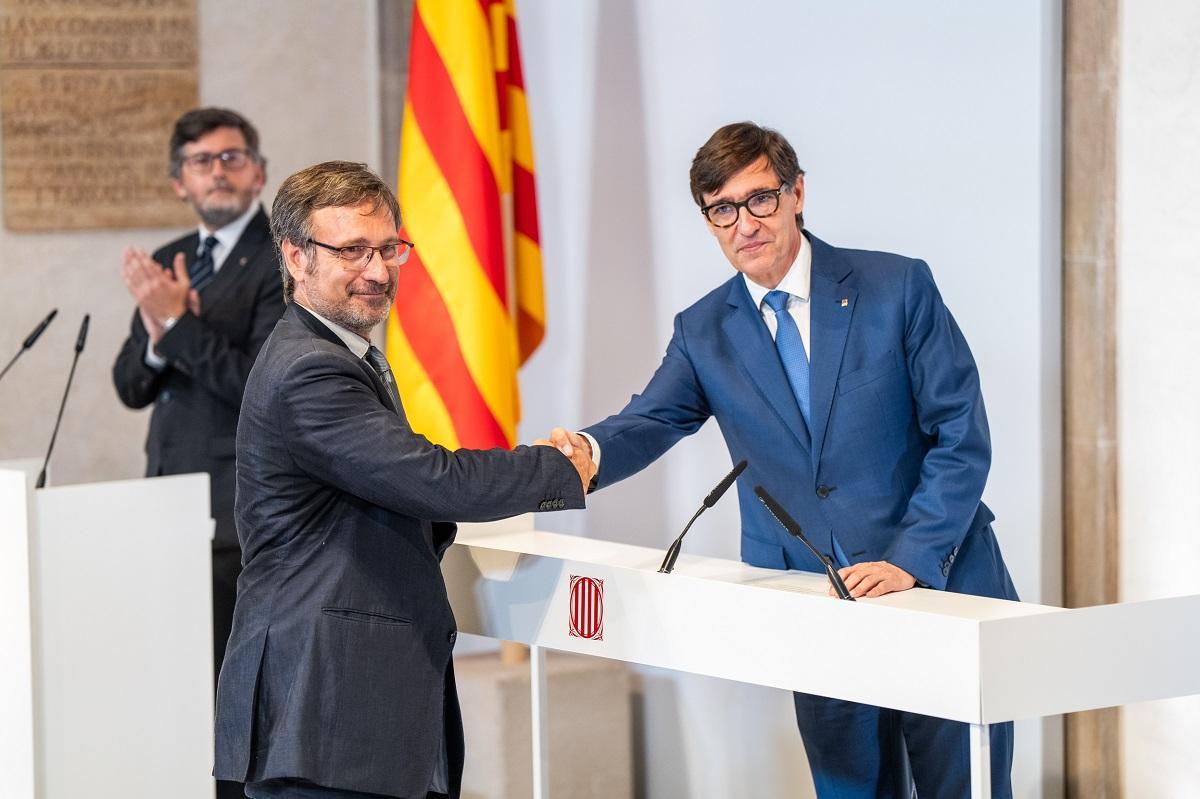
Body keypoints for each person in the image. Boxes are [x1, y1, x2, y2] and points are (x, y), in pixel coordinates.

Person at [546, 122, 1018, 798]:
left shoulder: (896, 287)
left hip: (942, 586)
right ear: (709, 222)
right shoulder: (704, 330)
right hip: (817, 601)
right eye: (722, 209)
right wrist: (583, 454)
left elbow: (960, 434)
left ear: (798, 193)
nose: (745, 223)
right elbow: (649, 419)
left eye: (760, 198)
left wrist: (910, 559)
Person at [213, 161, 593, 799]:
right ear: (296, 258)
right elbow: (433, 478)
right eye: (353, 251)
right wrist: (557, 467)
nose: (378, 270)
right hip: (324, 713)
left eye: (389, 248)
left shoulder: (337, 351)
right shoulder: (311, 369)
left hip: (348, 713)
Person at [112, 107, 281, 799]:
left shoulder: (282, 260)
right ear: (179, 180)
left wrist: (179, 323)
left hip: (236, 516)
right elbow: (130, 384)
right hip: (166, 505)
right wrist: (158, 331)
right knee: (177, 692)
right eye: (202, 160)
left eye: (233, 156)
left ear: (259, 172)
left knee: (231, 697)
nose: (219, 169)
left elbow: (263, 388)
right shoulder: (171, 257)